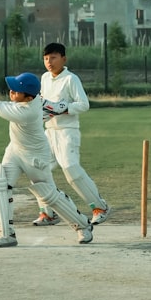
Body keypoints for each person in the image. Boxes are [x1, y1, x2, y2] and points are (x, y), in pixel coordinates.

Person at [0, 72, 94, 247]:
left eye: (16, 91)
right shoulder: (33, 100)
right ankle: (7, 234)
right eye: (12, 90)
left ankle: (83, 225)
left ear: (28, 96)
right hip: (15, 150)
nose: (11, 92)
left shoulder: (26, 112)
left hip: (35, 156)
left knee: (47, 193)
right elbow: (5, 104)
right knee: (1, 184)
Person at [31, 42, 112, 227]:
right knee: (38, 170)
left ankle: (100, 207)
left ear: (63, 58)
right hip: (49, 131)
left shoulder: (70, 79)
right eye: (45, 58)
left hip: (67, 132)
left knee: (71, 170)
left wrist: (63, 107)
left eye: (53, 57)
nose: (49, 62)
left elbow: (83, 104)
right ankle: (47, 213)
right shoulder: (44, 78)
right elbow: (42, 102)